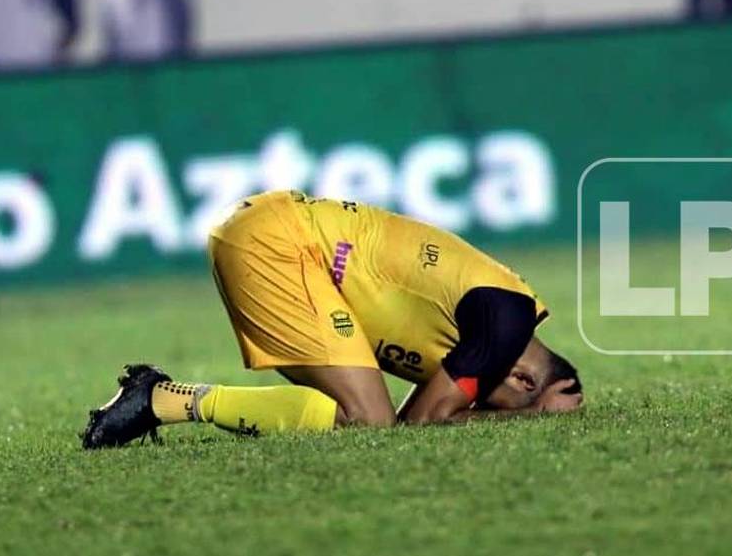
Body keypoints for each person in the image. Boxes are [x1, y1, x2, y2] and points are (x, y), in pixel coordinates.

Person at [82, 190, 582, 447]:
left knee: (363, 417)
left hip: (274, 236)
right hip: (280, 243)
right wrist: (530, 418)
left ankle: (161, 401)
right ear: (521, 376)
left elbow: (410, 422)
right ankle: (159, 399)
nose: (488, 412)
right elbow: (427, 422)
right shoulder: (505, 323)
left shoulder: (486, 329)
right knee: (367, 417)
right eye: (504, 407)